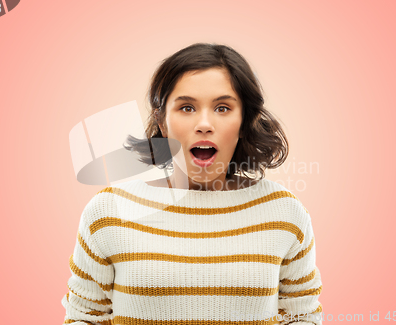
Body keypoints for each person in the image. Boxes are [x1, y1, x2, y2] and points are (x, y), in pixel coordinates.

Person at [61, 42, 323, 324]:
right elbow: (85, 317)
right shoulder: (109, 211)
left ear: (244, 121)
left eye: (223, 108)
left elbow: (303, 317)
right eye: (187, 107)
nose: (204, 124)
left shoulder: (285, 212)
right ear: (162, 121)